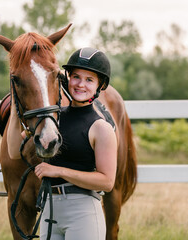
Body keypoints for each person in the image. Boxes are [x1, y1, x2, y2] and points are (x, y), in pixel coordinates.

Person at [34, 47, 117, 240]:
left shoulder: (100, 128)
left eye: (89, 80)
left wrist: (59, 171)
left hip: (82, 213)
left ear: (100, 86)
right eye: (76, 77)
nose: (81, 84)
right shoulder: (52, 121)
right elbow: (16, 149)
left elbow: (107, 182)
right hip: (50, 210)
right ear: (67, 78)